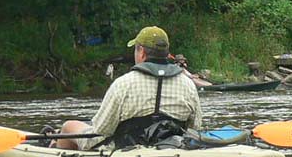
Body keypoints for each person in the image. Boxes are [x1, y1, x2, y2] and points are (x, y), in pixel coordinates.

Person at [55, 26, 203, 150]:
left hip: (128, 151)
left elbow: (101, 131)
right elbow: (195, 128)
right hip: (172, 149)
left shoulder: (123, 84)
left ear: (142, 52)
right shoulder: (188, 85)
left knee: (69, 126)